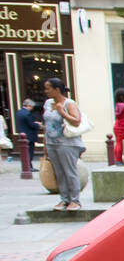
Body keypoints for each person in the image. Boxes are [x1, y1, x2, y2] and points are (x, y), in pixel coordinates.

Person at [42, 78, 85, 212]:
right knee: (59, 172)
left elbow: (77, 121)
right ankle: (64, 199)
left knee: (69, 171)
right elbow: (47, 125)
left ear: (57, 89)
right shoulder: (48, 103)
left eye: (48, 88)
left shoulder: (69, 103)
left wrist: (62, 112)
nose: (46, 91)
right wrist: (45, 144)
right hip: (51, 142)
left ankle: (75, 200)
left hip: (67, 143)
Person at [16, 98, 42, 167]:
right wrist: (38, 125)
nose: (32, 109)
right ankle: (29, 166)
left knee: (25, 152)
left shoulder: (19, 112)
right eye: (31, 107)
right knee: (30, 152)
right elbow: (31, 124)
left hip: (22, 134)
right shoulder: (27, 114)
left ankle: (27, 166)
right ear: (28, 106)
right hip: (29, 135)